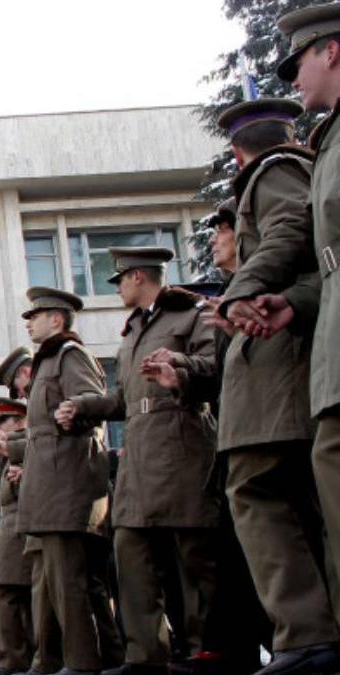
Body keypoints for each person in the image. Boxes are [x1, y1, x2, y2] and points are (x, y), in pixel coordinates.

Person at [55, 247, 219, 675]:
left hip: (181, 439)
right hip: (139, 453)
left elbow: (216, 364)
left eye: (121, 279)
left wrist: (179, 367)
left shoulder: (191, 315)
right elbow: (122, 400)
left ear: (140, 277)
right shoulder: (131, 333)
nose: (119, 287)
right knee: (131, 551)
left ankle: (206, 649)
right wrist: (84, 405)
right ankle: (145, 653)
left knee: (192, 551)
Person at [268, 8, 340, 672]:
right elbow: (322, 262)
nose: (295, 79)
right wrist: (287, 302)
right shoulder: (326, 143)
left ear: (334, 52)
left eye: (300, 64)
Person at [16, 286, 116, 675]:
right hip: (52, 484)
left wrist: (77, 409)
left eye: (35, 317)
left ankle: (82, 663)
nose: (29, 323)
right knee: (67, 583)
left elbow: (91, 402)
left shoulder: (70, 356)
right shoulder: (49, 360)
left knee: (69, 583)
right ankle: (98, 660)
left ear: (56, 319)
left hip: (67, 484)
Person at [0, 398, 36, 675]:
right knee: (1, 595)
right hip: (8, 532)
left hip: (21, 531)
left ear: (21, 421)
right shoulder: (10, 452)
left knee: (9, 596)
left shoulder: (30, 445)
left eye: (2, 421)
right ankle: (10, 662)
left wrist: (25, 475)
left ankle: (16, 662)